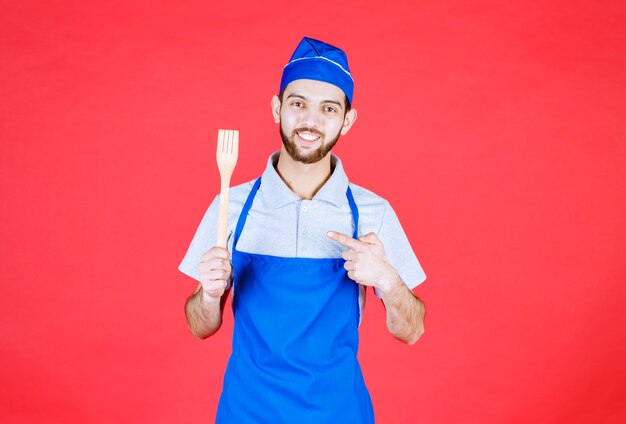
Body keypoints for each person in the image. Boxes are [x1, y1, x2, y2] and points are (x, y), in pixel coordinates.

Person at [180, 36, 427, 423]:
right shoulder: (232, 204)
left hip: (339, 412)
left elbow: (411, 331)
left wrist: (390, 282)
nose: (311, 121)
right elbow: (200, 326)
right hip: (247, 412)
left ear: (347, 120)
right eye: (298, 104)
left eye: (328, 109)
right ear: (277, 109)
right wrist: (209, 296)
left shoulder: (371, 213)